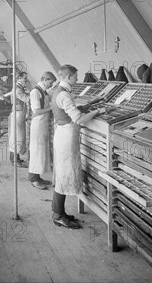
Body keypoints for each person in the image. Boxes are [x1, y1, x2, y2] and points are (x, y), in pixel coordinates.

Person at [50, 65, 106, 229]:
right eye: (75, 76)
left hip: (63, 134)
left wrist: (92, 103)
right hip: (66, 136)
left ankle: (60, 212)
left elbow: (69, 111)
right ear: (68, 77)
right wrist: (98, 111)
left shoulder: (59, 91)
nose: (77, 79)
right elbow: (79, 119)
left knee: (63, 174)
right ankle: (58, 215)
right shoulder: (64, 95)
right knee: (65, 175)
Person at [28, 71, 57, 190]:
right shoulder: (35, 92)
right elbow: (36, 111)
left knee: (41, 152)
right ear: (45, 79)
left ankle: (38, 177)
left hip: (43, 124)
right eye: (50, 82)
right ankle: (33, 179)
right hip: (38, 124)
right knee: (36, 152)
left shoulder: (43, 91)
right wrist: (51, 107)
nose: (51, 84)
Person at [5, 71, 31, 167]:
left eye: (26, 79)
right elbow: (26, 99)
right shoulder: (17, 88)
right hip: (18, 113)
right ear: (18, 78)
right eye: (24, 79)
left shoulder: (20, 87)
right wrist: (35, 94)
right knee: (17, 137)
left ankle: (17, 158)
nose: (25, 80)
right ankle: (15, 161)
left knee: (18, 137)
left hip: (20, 113)